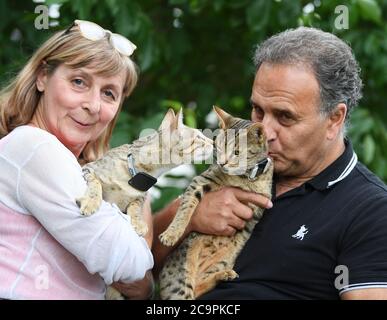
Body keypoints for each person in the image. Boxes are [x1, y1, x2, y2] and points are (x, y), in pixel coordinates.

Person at [152, 27, 387, 299]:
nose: (265, 133)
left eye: (285, 117)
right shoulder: (237, 164)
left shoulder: (371, 210)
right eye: (258, 110)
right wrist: (189, 217)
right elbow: (133, 273)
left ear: (334, 119)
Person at [0, 20, 154, 300]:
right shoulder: (34, 146)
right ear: (42, 77)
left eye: (109, 93)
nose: (93, 105)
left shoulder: (72, 167)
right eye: (79, 82)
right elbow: (131, 266)